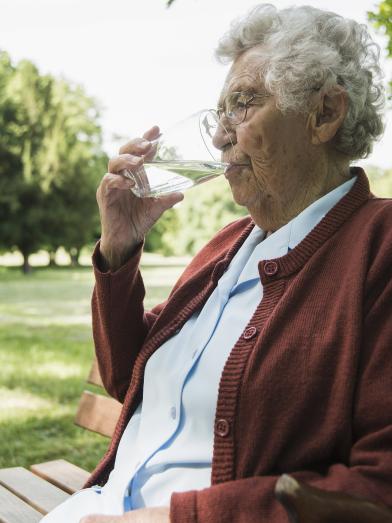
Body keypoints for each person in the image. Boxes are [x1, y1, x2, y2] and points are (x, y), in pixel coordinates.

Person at [41, 4, 392, 522]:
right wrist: (118, 249)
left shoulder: (378, 247)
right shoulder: (230, 244)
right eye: (219, 112)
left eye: (242, 105)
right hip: (100, 506)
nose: (220, 134)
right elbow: (128, 380)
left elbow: (377, 488)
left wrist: (177, 518)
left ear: (324, 115)